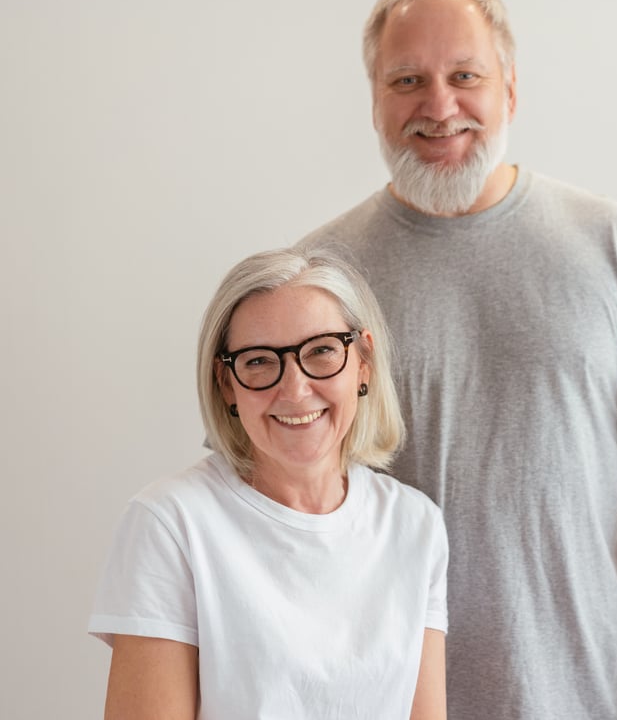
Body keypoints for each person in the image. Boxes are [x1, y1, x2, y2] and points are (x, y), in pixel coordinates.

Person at [299, 0, 617, 719]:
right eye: (408, 81)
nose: (439, 107)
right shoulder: (317, 280)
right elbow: (262, 506)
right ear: (374, 97)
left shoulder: (611, 245)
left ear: (510, 90)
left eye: (465, 76)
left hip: (590, 695)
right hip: (381, 701)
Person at [88, 247, 449, 720]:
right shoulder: (170, 524)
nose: (295, 388)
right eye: (258, 361)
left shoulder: (414, 524)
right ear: (226, 384)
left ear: (363, 362)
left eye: (321, 351)